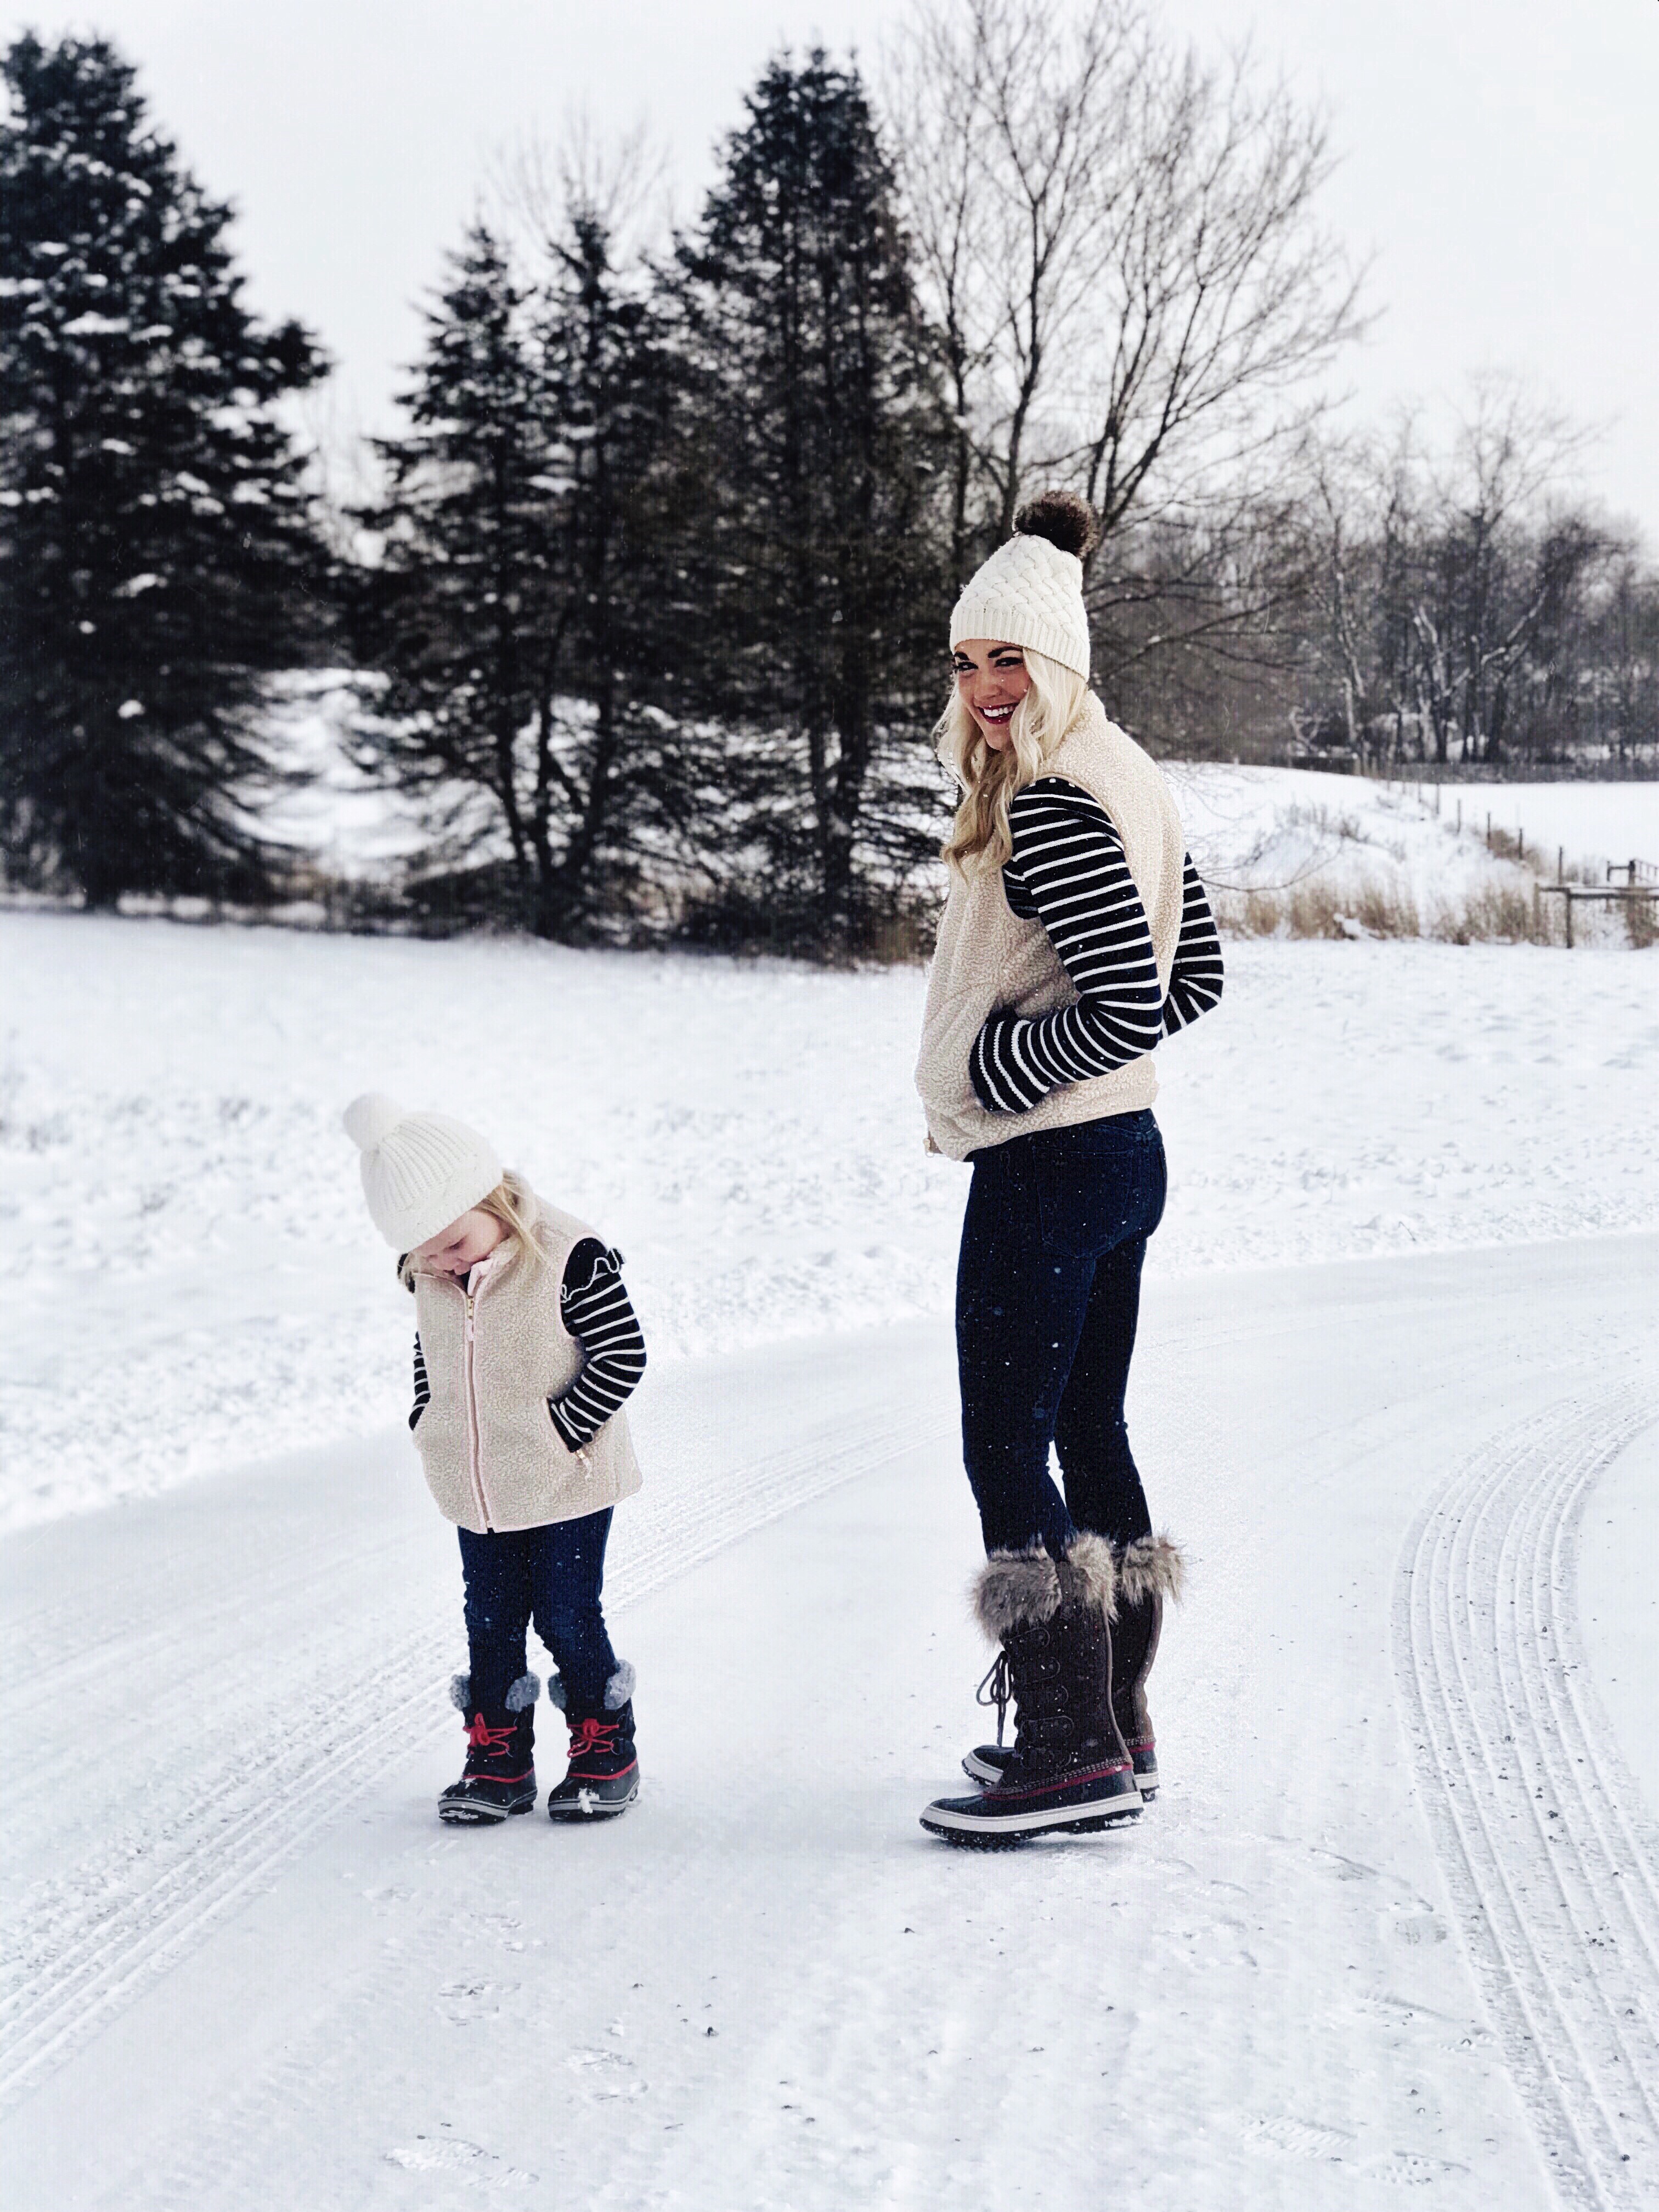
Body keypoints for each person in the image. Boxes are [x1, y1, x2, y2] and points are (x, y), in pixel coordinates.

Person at [913, 490, 1223, 1846]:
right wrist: (1087, 1064)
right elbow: (1193, 975)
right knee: (1086, 1432)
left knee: (1004, 1442)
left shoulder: (1051, 802)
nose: (984, 689)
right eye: (968, 662)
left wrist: (991, 1070)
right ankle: (1117, 1722)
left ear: (1060, 667)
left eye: (1009, 662)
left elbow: (1125, 1001)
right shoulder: (1132, 773)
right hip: (1126, 1156)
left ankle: (1068, 1745)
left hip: (1050, 1164)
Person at [343, 1093, 647, 1825]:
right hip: (477, 1490)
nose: (446, 1263)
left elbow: (623, 1352)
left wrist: (560, 1432)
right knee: (491, 1620)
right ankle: (499, 1759)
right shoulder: (432, 1274)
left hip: (566, 1483)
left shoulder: (569, 1254)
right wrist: (430, 1418)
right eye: (426, 1253)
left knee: (567, 1615)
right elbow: (432, 1356)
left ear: (492, 1199)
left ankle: (606, 1749)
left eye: (455, 1242)